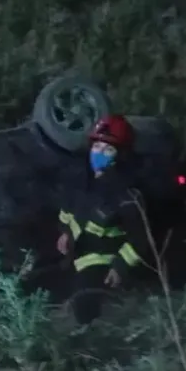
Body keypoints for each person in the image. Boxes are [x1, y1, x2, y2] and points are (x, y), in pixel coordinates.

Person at [56, 114, 153, 324]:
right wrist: (64, 231)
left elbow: (140, 239)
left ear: (121, 155)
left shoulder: (126, 195)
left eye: (108, 149)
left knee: (84, 311)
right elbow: (68, 209)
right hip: (75, 254)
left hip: (102, 262)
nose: (99, 153)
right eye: (97, 147)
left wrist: (120, 267)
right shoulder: (82, 179)